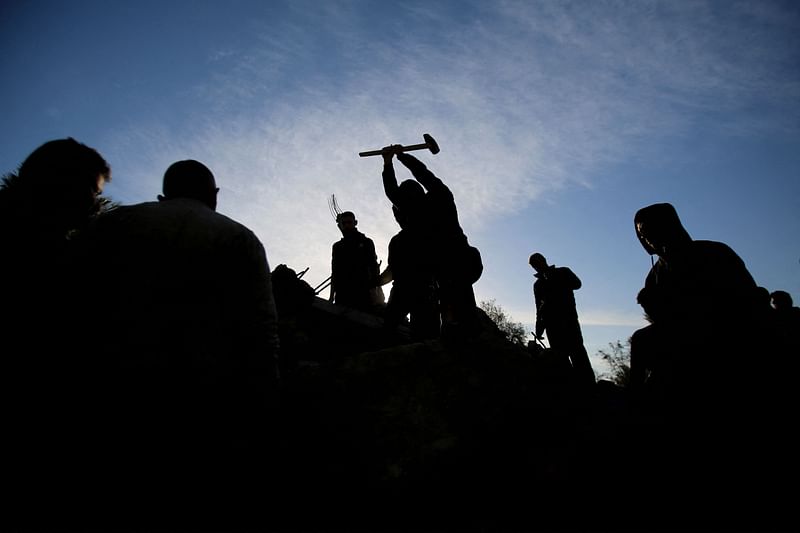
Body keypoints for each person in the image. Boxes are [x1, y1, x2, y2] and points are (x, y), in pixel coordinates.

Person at [76, 160, 280, 513]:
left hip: (106, 398)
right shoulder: (239, 238)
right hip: (203, 408)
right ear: (214, 196)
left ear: (162, 195)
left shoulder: (112, 224)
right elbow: (261, 331)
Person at [381, 144, 482, 339]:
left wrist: (389, 162)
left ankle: (459, 328)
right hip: (452, 263)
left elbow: (392, 192)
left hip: (456, 260)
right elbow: (423, 175)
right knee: (451, 297)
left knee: (454, 295)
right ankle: (457, 328)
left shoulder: (421, 209)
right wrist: (401, 157)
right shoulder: (439, 197)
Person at [529, 252, 595, 388]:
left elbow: (577, 284)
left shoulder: (563, 272)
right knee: (561, 359)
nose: (537, 267)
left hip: (568, 320)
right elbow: (539, 307)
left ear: (544, 260)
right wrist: (539, 327)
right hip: (552, 326)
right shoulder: (538, 285)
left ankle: (590, 389)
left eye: (538, 262)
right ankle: (572, 389)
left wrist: (557, 285)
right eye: (534, 265)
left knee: (578, 355)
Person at [329, 210, 382, 313]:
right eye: (344, 223)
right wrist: (331, 297)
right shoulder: (337, 247)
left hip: (363, 295)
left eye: (349, 222)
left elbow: (373, 269)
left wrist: (375, 294)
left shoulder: (366, 242)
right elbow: (335, 272)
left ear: (355, 223)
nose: (347, 225)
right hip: (342, 296)